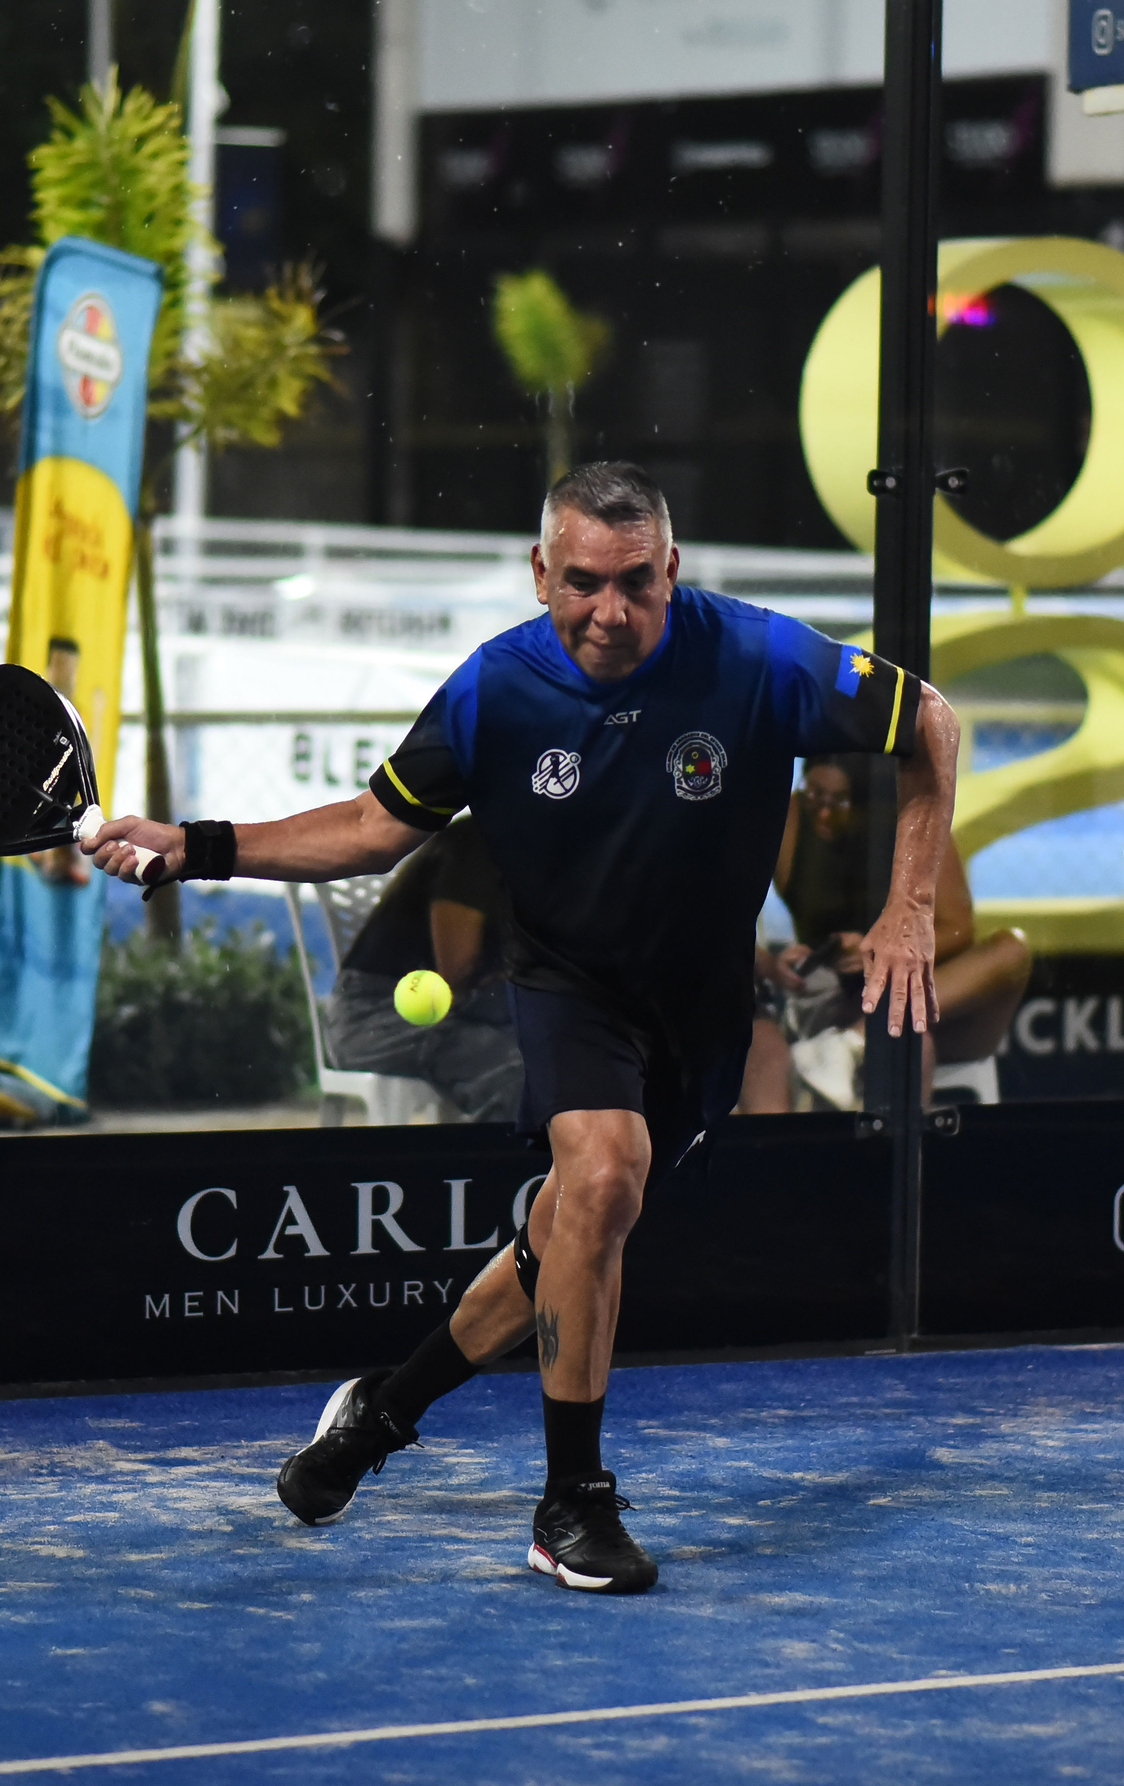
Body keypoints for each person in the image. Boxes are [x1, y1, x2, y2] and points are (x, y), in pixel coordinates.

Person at [83, 463, 959, 1596]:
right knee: (601, 1174)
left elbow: (927, 721)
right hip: (567, 983)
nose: (610, 611)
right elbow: (370, 826)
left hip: (699, 1009)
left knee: (565, 1233)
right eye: (583, 582)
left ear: (672, 568)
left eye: (636, 581)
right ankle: (570, 1504)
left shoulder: (758, 656)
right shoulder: (493, 689)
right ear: (541, 573)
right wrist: (197, 846)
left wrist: (909, 904)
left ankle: (378, 1415)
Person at [738, 752, 1031, 1113]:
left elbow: (958, 930)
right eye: (814, 793)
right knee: (906, 1038)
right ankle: (849, 1047)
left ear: (868, 801)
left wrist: (878, 952)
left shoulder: (914, 824)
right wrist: (771, 964)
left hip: (922, 990)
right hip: (847, 993)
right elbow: (721, 909)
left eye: (839, 802)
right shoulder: (790, 820)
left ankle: (851, 1044)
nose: (823, 812)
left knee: (1012, 949)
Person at [322, 814, 524, 1121]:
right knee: (514, 1068)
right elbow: (458, 977)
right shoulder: (480, 842)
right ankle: (507, 1152)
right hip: (373, 1015)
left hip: (460, 1015)